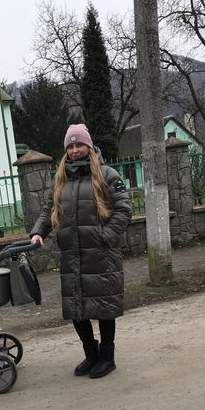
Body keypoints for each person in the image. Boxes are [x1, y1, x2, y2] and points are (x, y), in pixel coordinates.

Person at [30, 123, 132, 378]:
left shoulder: (107, 175)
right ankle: (91, 354)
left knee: (104, 308)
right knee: (77, 309)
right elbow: (49, 209)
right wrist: (38, 232)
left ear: (88, 146)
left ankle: (107, 358)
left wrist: (105, 236)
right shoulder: (60, 178)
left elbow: (124, 209)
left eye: (79, 145)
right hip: (72, 255)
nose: (75, 150)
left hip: (102, 254)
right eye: (71, 146)